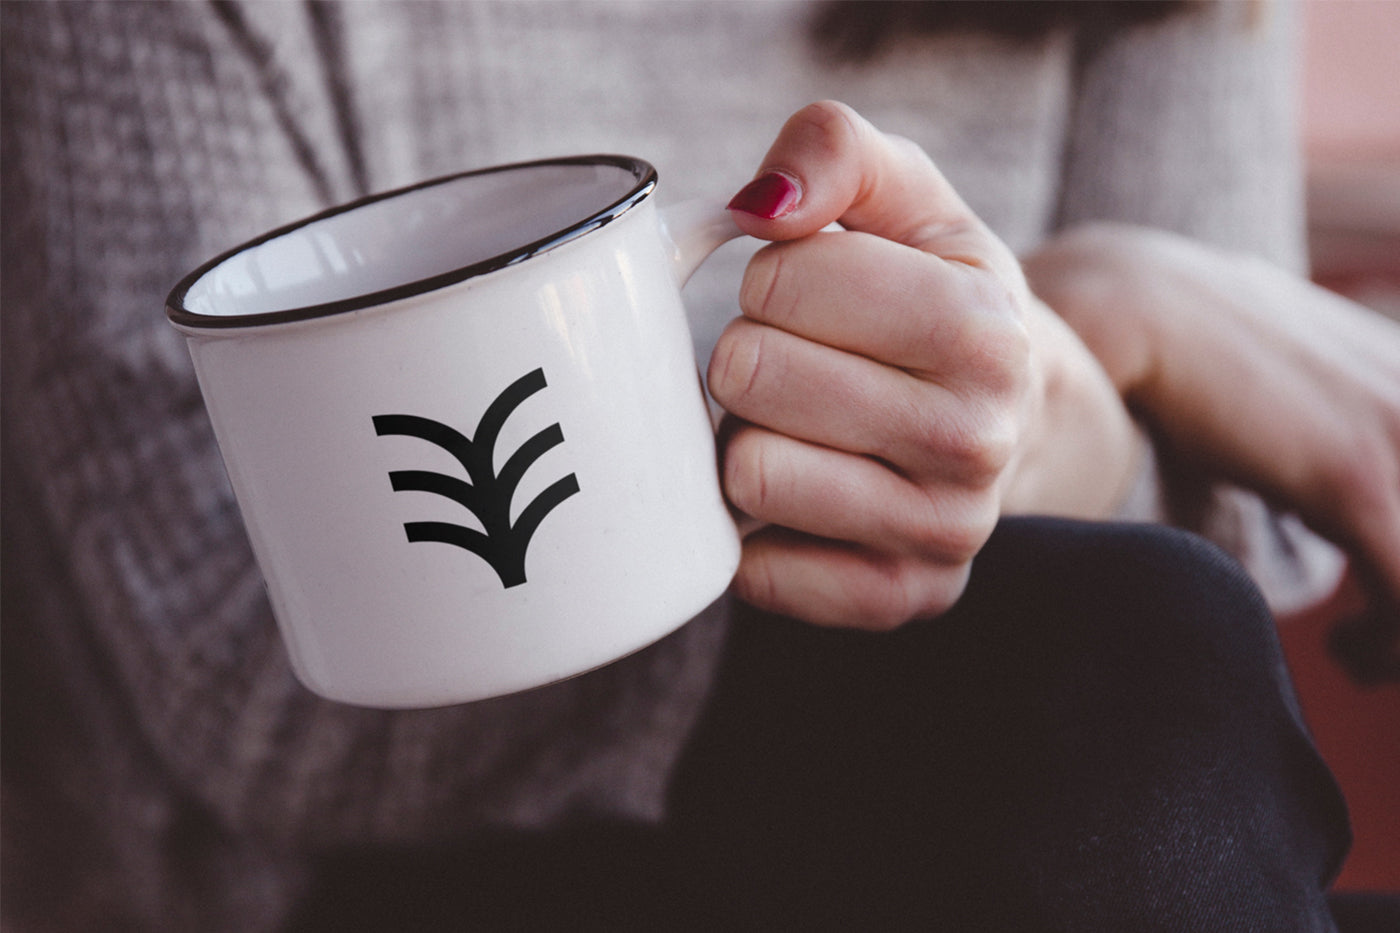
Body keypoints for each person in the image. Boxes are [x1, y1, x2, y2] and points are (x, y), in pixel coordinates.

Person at [2, 1, 1394, 930]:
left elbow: (1237, 522)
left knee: (1141, 657)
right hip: (367, 874)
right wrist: (1124, 323)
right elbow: (242, 688)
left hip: (1027, 757)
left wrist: (1054, 405)